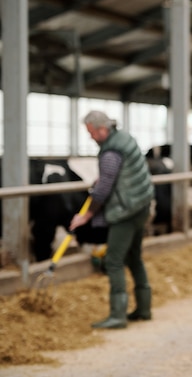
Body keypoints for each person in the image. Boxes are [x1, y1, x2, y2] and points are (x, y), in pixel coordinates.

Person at [69, 110, 154, 329]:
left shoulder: (110, 152)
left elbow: (104, 187)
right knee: (135, 257)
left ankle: (118, 315)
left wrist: (86, 215)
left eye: (91, 133)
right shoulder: (124, 138)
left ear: (102, 129)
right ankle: (144, 309)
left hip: (125, 211)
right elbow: (118, 173)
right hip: (141, 206)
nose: (91, 137)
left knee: (113, 261)